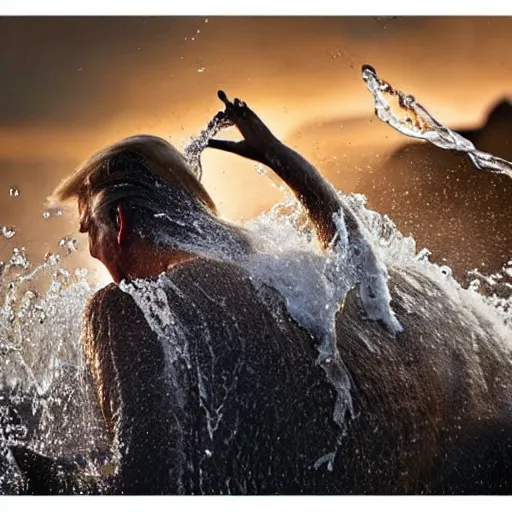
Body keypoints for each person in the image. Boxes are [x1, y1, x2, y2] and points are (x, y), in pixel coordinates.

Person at [14, 92, 512, 494]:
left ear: (119, 224)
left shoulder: (120, 310)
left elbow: (145, 488)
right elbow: (364, 270)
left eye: (88, 232)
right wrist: (280, 158)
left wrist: (51, 481)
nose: (95, 256)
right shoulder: (276, 276)